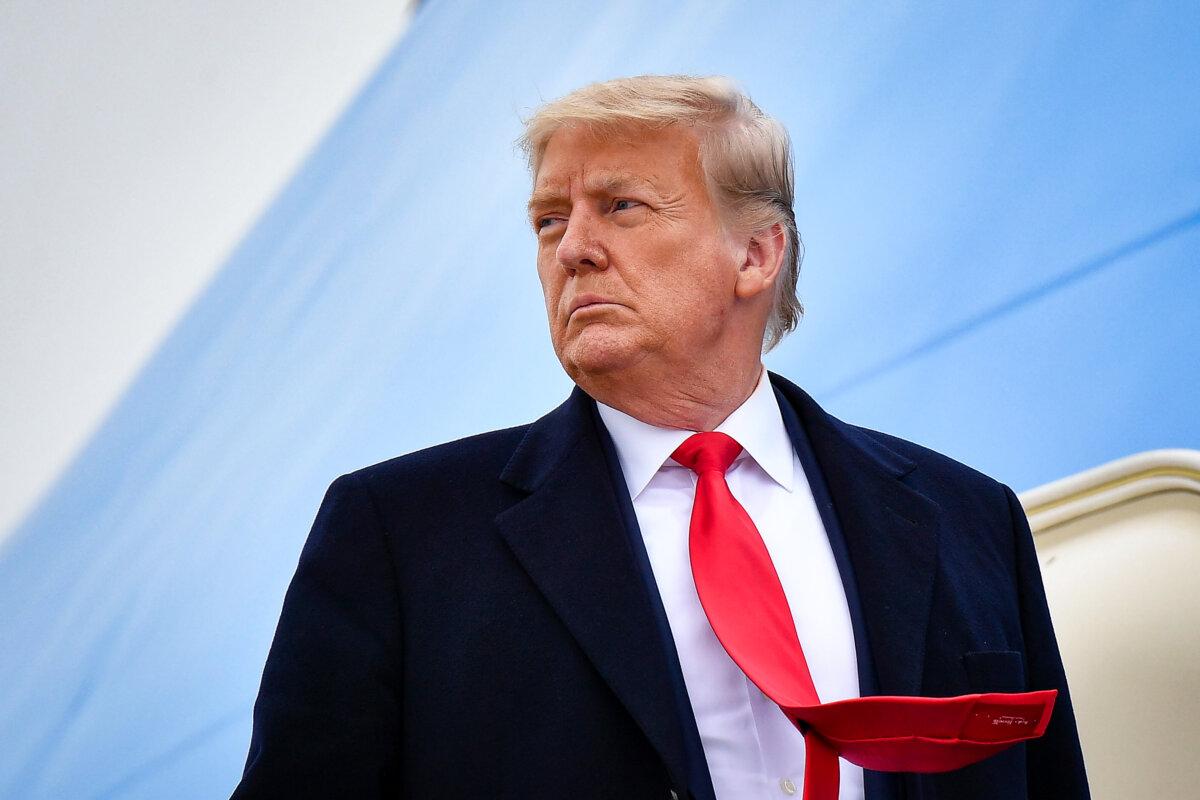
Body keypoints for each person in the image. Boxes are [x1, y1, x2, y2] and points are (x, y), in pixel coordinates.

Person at [231, 75, 1089, 800]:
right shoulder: (398, 534)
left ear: (756, 255)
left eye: (621, 206)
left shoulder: (970, 517)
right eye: (547, 221)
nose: (573, 249)